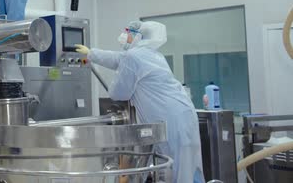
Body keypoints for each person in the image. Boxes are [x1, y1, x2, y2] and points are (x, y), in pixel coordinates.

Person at [75, 21, 204, 183]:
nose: (124, 36)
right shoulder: (153, 55)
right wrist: (91, 53)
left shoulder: (134, 56)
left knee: (173, 169)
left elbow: (118, 92)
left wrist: (111, 74)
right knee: (189, 166)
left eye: (128, 32)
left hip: (169, 120)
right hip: (185, 114)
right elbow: (117, 59)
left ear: (138, 36)